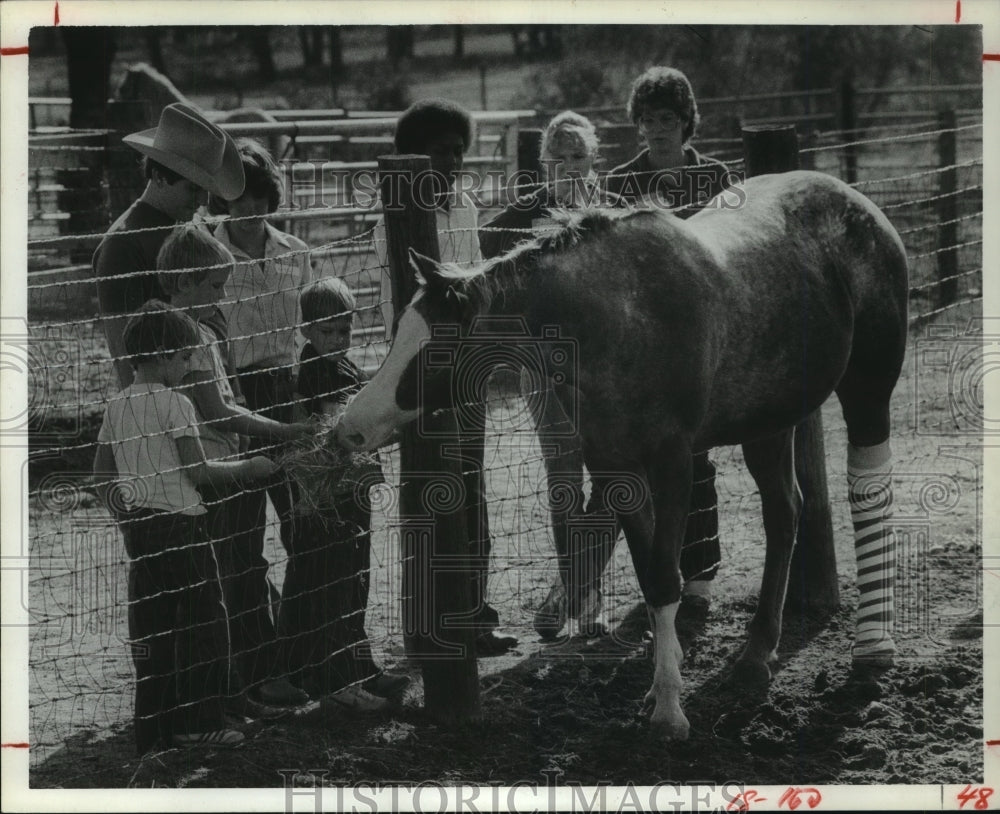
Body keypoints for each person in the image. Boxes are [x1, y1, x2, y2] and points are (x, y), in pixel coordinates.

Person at [92, 301, 276, 752]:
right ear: (161, 354)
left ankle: (153, 728)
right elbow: (198, 473)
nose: (188, 365)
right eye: (183, 358)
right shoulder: (176, 403)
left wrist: (129, 514)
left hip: (143, 531)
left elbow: (100, 476)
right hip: (184, 528)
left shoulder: (117, 405)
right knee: (203, 627)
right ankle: (199, 722)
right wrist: (249, 467)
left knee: (153, 629)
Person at [373, 98, 517, 656]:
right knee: (430, 487)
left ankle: (473, 612)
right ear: (412, 154)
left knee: (471, 488)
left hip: (466, 369)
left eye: (459, 150)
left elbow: (477, 283)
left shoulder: (464, 208)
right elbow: (399, 310)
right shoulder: (397, 218)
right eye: (441, 151)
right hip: (420, 371)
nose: (453, 161)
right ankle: (429, 623)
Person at [479, 111, 625, 639]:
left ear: (594, 160)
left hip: (611, 372)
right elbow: (485, 271)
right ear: (543, 164)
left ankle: (572, 587)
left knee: (616, 477)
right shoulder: (517, 219)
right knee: (564, 480)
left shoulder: (614, 217)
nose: (568, 166)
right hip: (544, 369)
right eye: (557, 158)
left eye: (578, 156)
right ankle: (586, 603)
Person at [155, 224, 311, 709]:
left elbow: (228, 396)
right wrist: (285, 432)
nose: (221, 295)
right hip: (218, 467)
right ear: (182, 281)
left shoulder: (200, 328)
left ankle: (231, 678)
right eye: (214, 286)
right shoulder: (186, 337)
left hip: (221, 459)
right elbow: (217, 411)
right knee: (241, 568)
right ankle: (253, 676)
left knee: (235, 568)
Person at [602, 66, 732, 622]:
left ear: (687, 123)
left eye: (669, 119)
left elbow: (733, 252)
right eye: (649, 119)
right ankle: (660, 577)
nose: (659, 129)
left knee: (697, 456)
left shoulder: (718, 178)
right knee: (649, 464)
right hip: (646, 339)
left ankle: (701, 576)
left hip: (707, 333)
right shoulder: (620, 185)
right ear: (639, 125)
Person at [279, 277, 411, 710]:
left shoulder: (340, 365)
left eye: (345, 330)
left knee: (347, 581)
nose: (338, 339)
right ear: (307, 331)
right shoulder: (324, 370)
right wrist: (400, 429)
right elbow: (346, 435)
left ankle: (353, 667)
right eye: (328, 331)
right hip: (337, 493)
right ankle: (339, 680)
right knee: (341, 582)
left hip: (340, 491)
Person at [210, 138, 315, 570]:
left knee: (301, 513)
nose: (249, 207)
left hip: (286, 386)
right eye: (238, 197)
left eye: (258, 196)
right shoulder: (207, 254)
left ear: (271, 197)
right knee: (240, 522)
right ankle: (253, 630)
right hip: (232, 393)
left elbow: (310, 325)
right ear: (222, 199)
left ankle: (302, 624)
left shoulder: (296, 252)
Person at [94, 102, 245, 389]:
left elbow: (216, 320)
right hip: (164, 403)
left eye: (205, 189)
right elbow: (124, 349)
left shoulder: (191, 227)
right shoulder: (123, 245)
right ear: (160, 176)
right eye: (192, 188)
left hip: (210, 392)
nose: (202, 200)